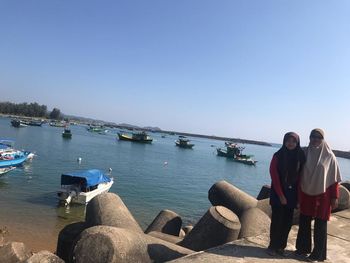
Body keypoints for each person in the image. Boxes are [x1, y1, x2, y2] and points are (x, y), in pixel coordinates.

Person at [296, 128, 341, 262]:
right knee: (304, 221)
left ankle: (318, 255)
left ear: (323, 139)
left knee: (320, 225)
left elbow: (334, 180)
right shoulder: (304, 152)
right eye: (313, 136)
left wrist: (335, 197)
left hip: (324, 194)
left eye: (318, 137)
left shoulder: (329, 156)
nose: (315, 139)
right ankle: (303, 249)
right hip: (305, 192)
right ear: (309, 138)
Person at [267, 132, 306, 256]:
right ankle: (273, 246)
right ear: (284, 141)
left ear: (297, 143)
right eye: (288, 141)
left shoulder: (300, 157)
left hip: (292, 194)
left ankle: (281, 247)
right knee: (277, 220)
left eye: (293, 141)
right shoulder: (277, 155)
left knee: (287, 222)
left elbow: (301, 179)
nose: (290, 143)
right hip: (278, 193)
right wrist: (281, 195)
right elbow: (274, 176)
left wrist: (299, 199)